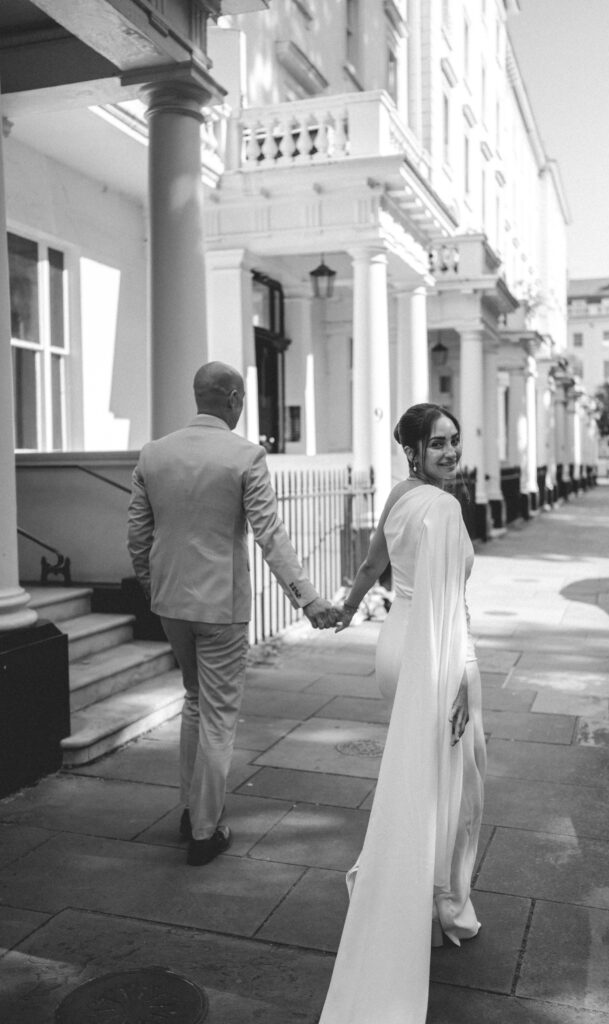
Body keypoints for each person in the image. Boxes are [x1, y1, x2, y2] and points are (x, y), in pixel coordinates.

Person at [127, 362, 336, 867]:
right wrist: (307, 599)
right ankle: (205, 830)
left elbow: (138, 535)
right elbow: (270, 536)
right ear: (235, 399)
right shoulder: (245, 455)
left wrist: (155, 588)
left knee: (194, 700)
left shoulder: (154, 454)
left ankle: (190, 810)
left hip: (171, 602)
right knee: (218, 717)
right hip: (221, 606)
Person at [318, 403, 486, 1024]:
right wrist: (462, 675)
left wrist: (347, 608)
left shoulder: (398, 495)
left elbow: (371, 566)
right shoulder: (443, 507)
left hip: (396, 645)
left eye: (454, 441)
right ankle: (434, 901)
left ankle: (409, 888)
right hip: (438, 654)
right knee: (457, 787)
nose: (450, 451)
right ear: (413, 450)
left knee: (422, 775)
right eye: (437, 443)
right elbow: (449, 603)